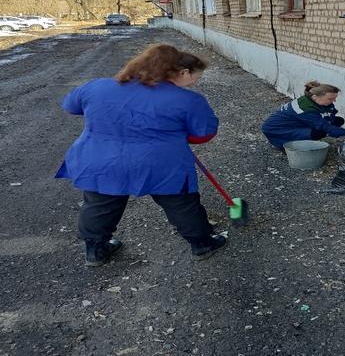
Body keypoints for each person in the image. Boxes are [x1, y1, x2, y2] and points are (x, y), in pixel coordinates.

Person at [55, 44, 226, 266]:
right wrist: (177, 133)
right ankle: (202, 244)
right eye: (196, 77)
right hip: (160, 165)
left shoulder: (97, 87)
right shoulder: (188, 100)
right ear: (181, 72)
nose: (196, 82)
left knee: (100, 205)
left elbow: (71, 106)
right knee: (181, 204)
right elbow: (204, 133)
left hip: (102, 161)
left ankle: (96, 251)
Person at [261, 80, 345, 150]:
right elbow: (324, 125)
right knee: (317, 133)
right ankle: (288, 146)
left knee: (338, 120)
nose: (334, 101)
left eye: (335, 98)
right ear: (315, 97)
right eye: (330, 99)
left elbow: (329, 115)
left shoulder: (317, 101)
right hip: (276, 129)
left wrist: (334, 128)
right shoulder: (305, 109)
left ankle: (305, 136)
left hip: (295, 123)